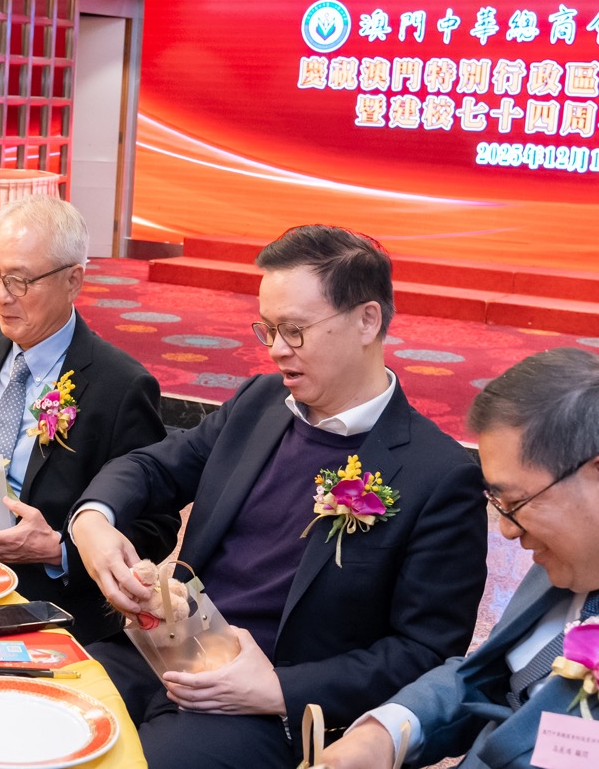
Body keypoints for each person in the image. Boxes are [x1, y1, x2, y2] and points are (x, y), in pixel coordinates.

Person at [69, 224, 488, 768]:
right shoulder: (260, 402)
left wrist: (277, 690)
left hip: (265, 704)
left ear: (367, 320)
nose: (275, 350)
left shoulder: (439, 475)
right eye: (266, 329)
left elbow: (425, 653)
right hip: (163, 650)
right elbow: (153, 467)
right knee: (32, 711)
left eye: (293, 331)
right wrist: (93, 520)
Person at [0, 196, 174, 643]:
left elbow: (156, 526)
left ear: (73, 280)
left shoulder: (120, 385)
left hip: (40, 593)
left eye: (19, 281)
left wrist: (58, 551)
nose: (0, 295)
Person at [321, 347, 599, 769]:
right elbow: (489, 675)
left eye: (516, 502)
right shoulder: (567, 560)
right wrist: (385, 733)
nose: (507, 530)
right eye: (498, 503)